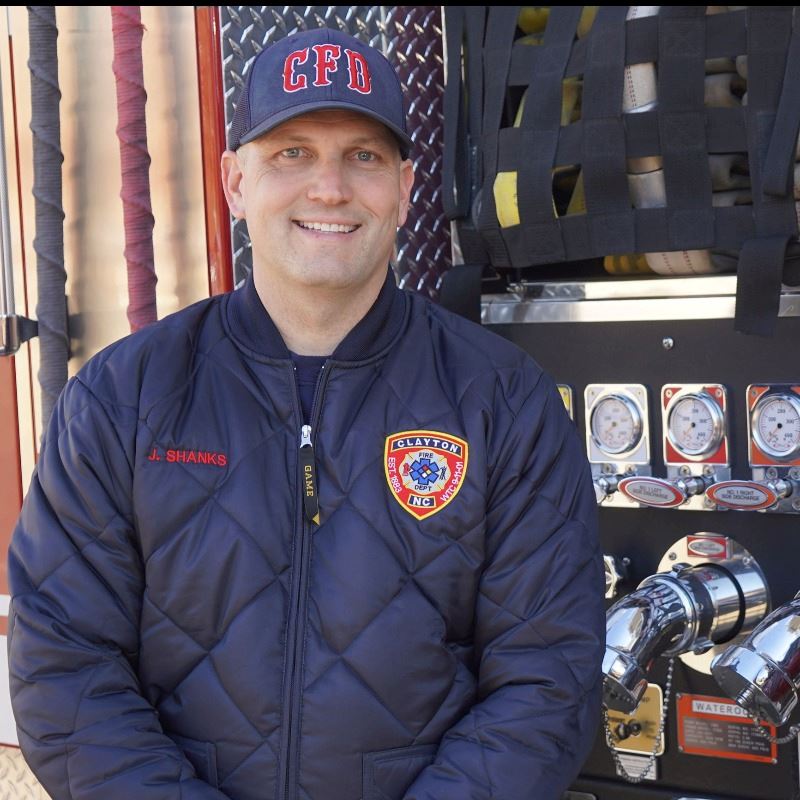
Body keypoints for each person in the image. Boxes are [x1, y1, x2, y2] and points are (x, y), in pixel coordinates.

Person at [8, 26, 604, 800]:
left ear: (404, 186)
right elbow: (66, 670)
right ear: (233, 182)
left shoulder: (506, 401)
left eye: (364, 155)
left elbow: (546, 682)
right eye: (292, 152)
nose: (329, 187)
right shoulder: (124, 398)